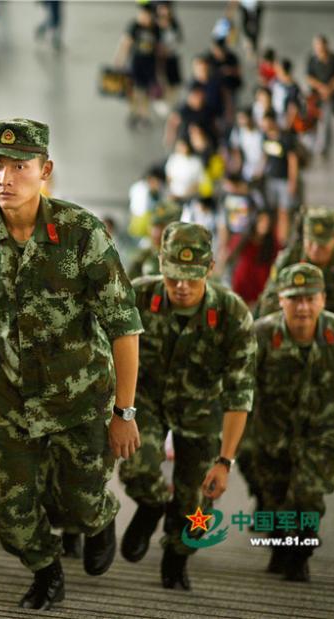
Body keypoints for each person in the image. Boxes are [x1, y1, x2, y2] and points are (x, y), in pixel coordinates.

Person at [0, 119, 143, 610]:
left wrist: (124, 413)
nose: (5, 177)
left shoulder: (81, 234)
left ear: (45, 170)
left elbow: (124, 327)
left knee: (79, 501)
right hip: (12, 397)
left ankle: (100, 520)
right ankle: (47, 570)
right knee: (10, 516)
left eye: (20, 166)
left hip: (80, 396)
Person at [119, 223, 256, 590]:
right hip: (145, 401)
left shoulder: (232, 314)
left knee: (196, 502)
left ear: (210, 268)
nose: (181, 286)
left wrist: (225, 462)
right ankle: (150, 507)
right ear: (161, 264)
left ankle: (176, 557)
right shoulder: (137, 297)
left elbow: (240, 392)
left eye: (191, 277)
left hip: (202, 411)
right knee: (137, 470)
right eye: (173, 276)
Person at [243, 263, 334, 581]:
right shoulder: (263, 334)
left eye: (310, 299)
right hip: (271, 438)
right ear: (281, 300)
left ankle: (300, 556)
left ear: (323, 300)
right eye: (295, 299)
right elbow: (238, 388)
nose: (303, 307)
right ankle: (281, 548)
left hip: (321, 438)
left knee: (307, 498)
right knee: (274, 499)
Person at [256, 208, 334, 345]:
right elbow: (269, 303)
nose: (315, 249)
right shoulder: (289, 259)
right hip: (295, 324)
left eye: (322, 244)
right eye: (310, 242)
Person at [114, 5, 162, 128]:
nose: (144, 17)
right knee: (135, 90)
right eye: (142, 14)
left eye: (147, 15)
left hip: (149, 64)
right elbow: (126, 43)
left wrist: (159, 65)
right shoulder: (134, 26)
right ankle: (133, 113)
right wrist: (120, 59)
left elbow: (157, 47)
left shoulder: (155, 28)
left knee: (146, 91)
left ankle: (144, 115)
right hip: (136, 63)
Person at [260, 111, 298, 246]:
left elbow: (292, 160)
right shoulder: (265, 137)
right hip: (271, 179)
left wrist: (293, 181)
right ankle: (274, 240)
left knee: (284, 211)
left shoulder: (285, 138)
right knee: (273, 211)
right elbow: (265, 156)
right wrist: (260, 172)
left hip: (284, 179)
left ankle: (283, 241)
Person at [230, 209, 279, 308]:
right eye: (261, 221)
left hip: (261, 291)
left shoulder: (273, 244)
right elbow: (230, 255)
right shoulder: (243, 239)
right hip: (243, 287)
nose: (264, 225)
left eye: (267, 222)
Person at [306, 34, 334, 157]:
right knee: (314, 121)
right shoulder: (312, 59)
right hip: (316, 96)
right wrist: (321, 88)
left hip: (329, 96)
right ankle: (315, 144)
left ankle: (324, 148)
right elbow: (309, 77)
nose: (319, 48)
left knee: (326, 123)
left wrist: (329, 90)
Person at [127, 200, 182, 281]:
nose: (156, 233)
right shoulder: (142, 257)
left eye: (162, 227)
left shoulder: (185, 256)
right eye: (154, 227)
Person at [127, 164, 166, 240]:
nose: (159, 186)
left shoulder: (137, 186)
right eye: (158, 182)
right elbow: (146, 210)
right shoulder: (144, 190)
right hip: (143, 228)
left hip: (135, 226)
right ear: (151, 179)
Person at [227, 107, 264, 183]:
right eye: (239, 118)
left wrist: (260, 170)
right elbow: (236, 151)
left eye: (243, 118)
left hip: (262, 170)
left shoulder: (260, 132)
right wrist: (237, 167)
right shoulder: (237, 132)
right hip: (247, 170)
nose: (241, 121)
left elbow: (265, 153)